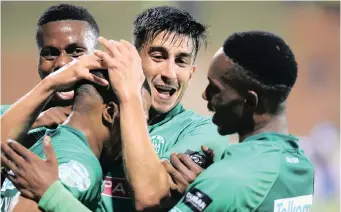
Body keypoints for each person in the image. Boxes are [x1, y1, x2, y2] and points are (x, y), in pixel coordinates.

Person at [98, 6, 228, 211]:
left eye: (181, 61)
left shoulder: (204, 133)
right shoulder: (99, 115)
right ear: (134, 61)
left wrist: (131, 99)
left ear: (191, 74)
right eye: (158, 56)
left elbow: (149, 196)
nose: (170, 73)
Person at [170, 31, 315, 211]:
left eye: (215, 88)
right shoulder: (302, 168)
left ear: (250, 101)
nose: (205, 95)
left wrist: (210, 186)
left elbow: (231, 186)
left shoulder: (226, 181)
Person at [1, 41, 152, 211]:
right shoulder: (81, 164)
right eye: (140, 116)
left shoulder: (40, 139)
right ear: (110, 112)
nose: (143, 128)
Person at [1, 4, 100, 133]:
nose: (62, 63)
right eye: (49, 53)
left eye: (76, 51)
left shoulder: (117, 120)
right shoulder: (5, 116)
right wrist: (34, 122)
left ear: (97, 57)